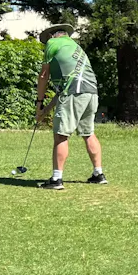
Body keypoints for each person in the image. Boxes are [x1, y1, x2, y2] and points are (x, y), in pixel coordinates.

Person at [35, 24, 104, 190]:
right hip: (90, 92)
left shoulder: (53, 44)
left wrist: (38, 102)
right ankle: (98, 174)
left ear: (52, 36)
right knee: (88, 133)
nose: (46, 44)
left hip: (74, 92)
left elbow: (44, 76)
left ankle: (56, 179)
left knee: (61, 135)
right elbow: (62, 94)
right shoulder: (75, 47)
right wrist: (44, 111)